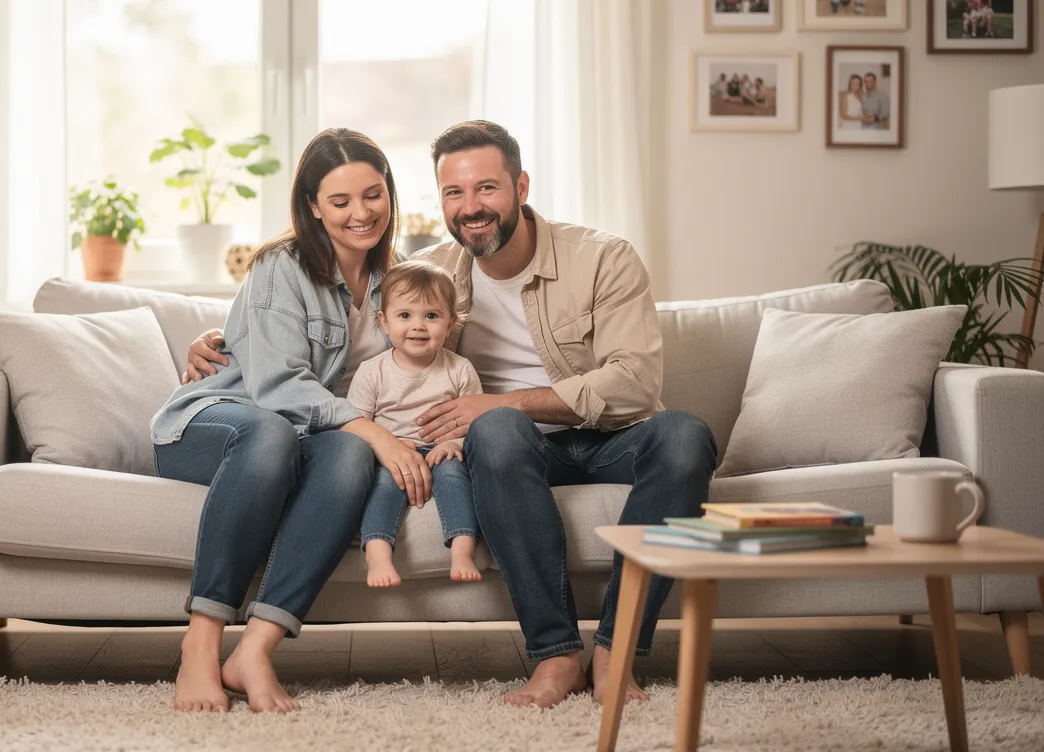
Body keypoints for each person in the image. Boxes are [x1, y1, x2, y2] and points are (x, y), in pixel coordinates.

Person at [183, 120, 718, 710]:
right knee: (494, 431)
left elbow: (636, 383)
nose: (471, 207)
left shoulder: (599, 258)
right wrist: (225, 338)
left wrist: (497, 402)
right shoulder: (430, 272)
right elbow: (318, 344)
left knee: (687, 434)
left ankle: (617, 656)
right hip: (502, 448)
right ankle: (557, 656)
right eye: (453, 193)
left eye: (486, 188)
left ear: (521, 186)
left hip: (602, 435)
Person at [150, 127, 427, 714]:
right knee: (279, 431)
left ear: (391, 194)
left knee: (350, 452)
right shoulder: (280, 265)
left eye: (373, 194)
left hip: (302, 436)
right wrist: (375, 431)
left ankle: (255, 649)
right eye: (340, 200)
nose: (361, 213)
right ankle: (198, 648)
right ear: (312, 207)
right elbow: (275, 386)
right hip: (213, 423)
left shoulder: (396, 278)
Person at [349, 260, 485, 588]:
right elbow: (355, 424)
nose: (418, 326)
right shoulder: (372, 371)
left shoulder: (460, 369)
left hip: (443, 451)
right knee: (383, 486)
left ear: (451, 323)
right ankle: (378, 556)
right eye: (405, 315)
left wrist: (454, 445)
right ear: (384, 322)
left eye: (432, 316)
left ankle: (462, 551)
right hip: (391, 453)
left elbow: (478, 424)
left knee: (455, 478)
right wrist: (385, 449)